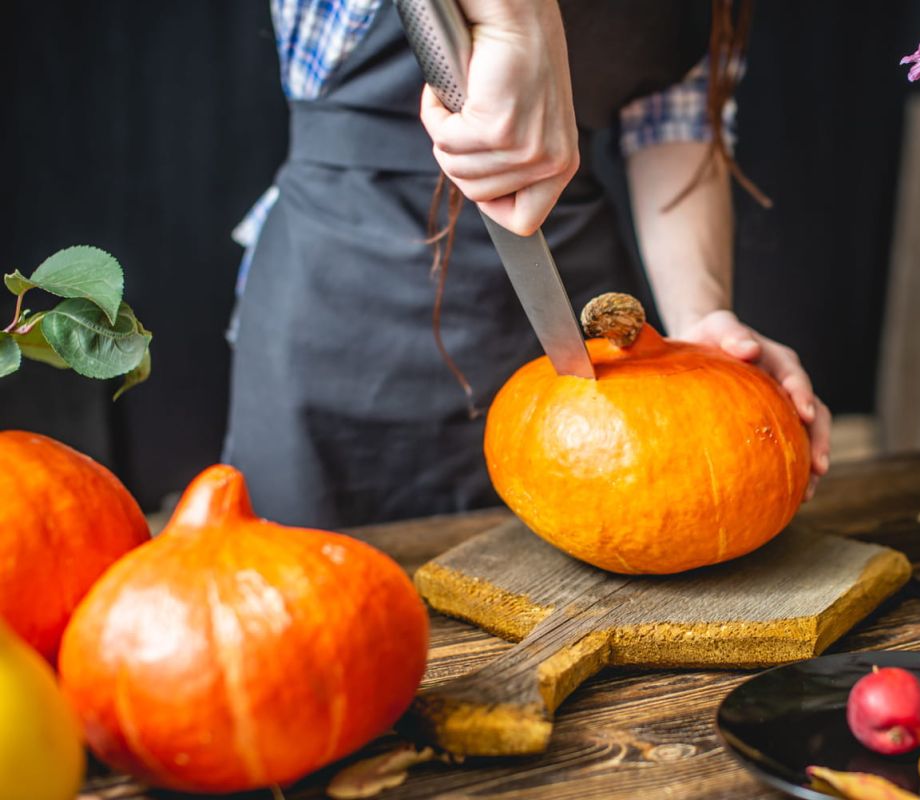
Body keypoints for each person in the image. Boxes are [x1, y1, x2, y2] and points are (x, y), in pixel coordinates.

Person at [225, 0, 831, 528]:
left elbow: (673, 123)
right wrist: (520, 19)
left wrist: (700, 321)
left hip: (569, 304)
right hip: (338, 297)